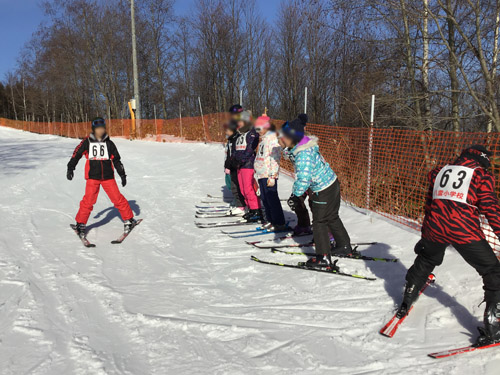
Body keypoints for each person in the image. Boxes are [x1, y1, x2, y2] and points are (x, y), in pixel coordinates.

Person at [397, 145, 500, 346]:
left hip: (435, 225)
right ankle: (494, 327)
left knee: (427, 259)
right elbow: (491, 209)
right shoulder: (481, 175)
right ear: (483, 160)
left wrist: (426, 234)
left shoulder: (440, 171)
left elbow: (429, 203)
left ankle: (407, 297)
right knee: (492, 270)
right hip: (463, 229)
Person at [281, 114, 354, 269]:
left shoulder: (303, 155)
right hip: (331, 183)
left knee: (320, 221)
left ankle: (323, 257)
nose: (282, 139)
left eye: (284, 136)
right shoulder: (303, 145)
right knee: (332, 217)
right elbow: (291, 152)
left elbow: (304, 179)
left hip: (323, 188)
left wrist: (296, 194)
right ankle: (344, 246)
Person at [67, 117, 137, 236]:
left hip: (108, 177)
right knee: (88, 201)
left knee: (117, 199)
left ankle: (129, 220)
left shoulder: (109, 143)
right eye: (98, 129)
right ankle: (80, 224)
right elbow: (76, 154)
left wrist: (122, 174)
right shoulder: (87, 142)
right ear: (94, 130)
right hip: (93, 177)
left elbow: (117, 160)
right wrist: (71, 167)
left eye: (102, 129)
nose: (100, 131)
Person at [253, 114, 286, 231]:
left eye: (259, 128)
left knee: (272, 199)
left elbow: (275, 158)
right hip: (262, 174)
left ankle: (279, 222)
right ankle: (270, 220)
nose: (257, 131)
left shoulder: (272, 139)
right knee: (265, 198)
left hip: (269, 174)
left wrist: (273, 176)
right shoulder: (263, 140)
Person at [233, 110, 262, 222]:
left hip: (247, 165)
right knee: (242, 189)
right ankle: (250, 208)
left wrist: (242, 160)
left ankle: (256, 209)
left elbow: (250, 149)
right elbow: (235, 149)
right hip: (240, 165)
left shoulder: (252, 133)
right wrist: (234, 160)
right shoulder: (240, 134)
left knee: (248, 188)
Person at [223, 120, 245, 216]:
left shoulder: (237, 139)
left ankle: (241, 205)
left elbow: (236, 154)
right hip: (231, 166)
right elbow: (228, 155)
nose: (226, 132)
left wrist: (234, 164)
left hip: (236, 166)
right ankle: (238, 202)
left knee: (238, 186)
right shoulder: (230, 140)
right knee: (233, 186)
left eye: (227, 130)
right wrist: (227, 166)